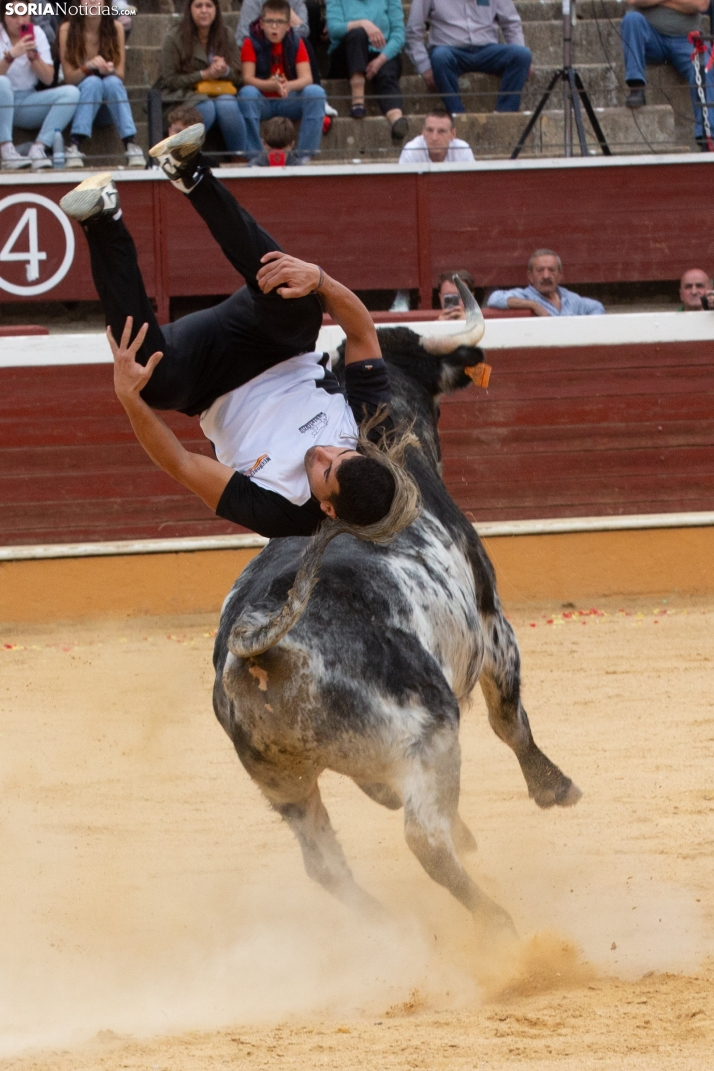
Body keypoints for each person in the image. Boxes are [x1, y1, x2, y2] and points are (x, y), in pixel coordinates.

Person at [58, 124, 407, 539]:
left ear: (327, 510)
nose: (323, 453)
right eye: (341, 453)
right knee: (300, 303)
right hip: (275, 343)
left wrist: (128, 400)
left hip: (207, 383)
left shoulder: (282, 515)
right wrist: (320, 279)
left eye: (325, 470)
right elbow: (364, 335)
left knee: (147, 379)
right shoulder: (375, 435)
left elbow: (182, 464)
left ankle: (102, 218)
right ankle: (190, 171)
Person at [405, 0, 531, 116]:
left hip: (487, 50)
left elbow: (511, 24)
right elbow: (413, 31)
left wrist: (524, 62)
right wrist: (424, 66)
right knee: (439, 57)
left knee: (522, 55)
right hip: (450, 50)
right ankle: (457, 115)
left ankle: (504, 114)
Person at [239, 0, 326, 162]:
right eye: (269, 22)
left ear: (288, 26)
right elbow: (247, 79)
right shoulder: (250, 43)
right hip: (263, 100)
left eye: (279, 22)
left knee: (316, 92)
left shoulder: (296, 42)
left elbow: (307, 78)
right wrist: (271, 85)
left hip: (288, 98)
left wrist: (288, 85)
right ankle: (255, 156)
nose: (274, 27)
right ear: (261, 24)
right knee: (246, 93)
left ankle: (304, 156)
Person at [621, 0, 713, 150]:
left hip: (686, 39)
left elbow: (700, 4)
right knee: (631, 20)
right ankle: (636, 86)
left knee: (705, 67)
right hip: (651, 37)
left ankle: (707, 137)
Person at [159, 0, 246, 157]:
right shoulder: (174, 37)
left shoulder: (227, 34)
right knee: (206, 107)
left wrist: (225, 71)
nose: (204, 10)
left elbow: (239, 77)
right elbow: (170, 80)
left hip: (220, 92)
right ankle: (185, 155)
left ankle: (238, 157)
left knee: (227, 105)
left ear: (216, 9)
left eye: (209, 5)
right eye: (199, 6)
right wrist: (203, 75)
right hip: (183, 96)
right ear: (190, 9)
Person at [59, 12, 145, 170]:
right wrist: (87, 67)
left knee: (113, 82)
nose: (92, 1)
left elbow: (120, 75)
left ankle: (130, 144)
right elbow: (69, 78)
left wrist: (108, 71)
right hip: (81, 103)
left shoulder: (116, 27)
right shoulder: (67, 28)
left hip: (108, 107)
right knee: (93, 82)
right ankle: (74, 145)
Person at [0, 2, 79, 171]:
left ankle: (39, 147)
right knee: (2, 82)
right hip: (2, 101)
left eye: (24, 14)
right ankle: (6, 149)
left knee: (71, 93)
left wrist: (34, 59)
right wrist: (11, 55)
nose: (20, 21)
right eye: (13, 16)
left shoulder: (37, 33)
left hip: (26, 100)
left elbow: (49, 79)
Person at [325, 0, 408, 144]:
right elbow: (334, 29)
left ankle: (396, 120)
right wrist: (362, 23)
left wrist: (381, 59)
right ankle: (358, 100)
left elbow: (398, 34)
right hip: (347, 54)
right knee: (357, 34)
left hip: (382, 52)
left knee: (387, 74)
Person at [487, 249, 605, 317]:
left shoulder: (570, 298)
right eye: (540, 270)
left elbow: (597, 307)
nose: (546, 276)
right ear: (530, 276)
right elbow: (494, 299)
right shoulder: (526, 295)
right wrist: (533, 305)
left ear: (560, 275)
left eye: (551, 270)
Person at [399, 107, 474, 163]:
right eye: (429, 130)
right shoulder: (411, 151)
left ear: (453, 134)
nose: (434, 138)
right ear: (423, 132)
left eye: (441, 131)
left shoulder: (462, 150)